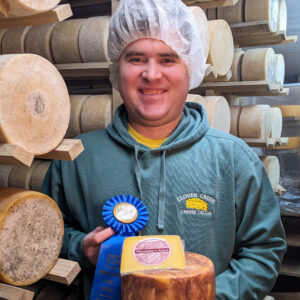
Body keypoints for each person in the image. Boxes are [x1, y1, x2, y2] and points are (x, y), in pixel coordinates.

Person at [42, 0, 286, 299]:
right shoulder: (76, 159)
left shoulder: (235, 159)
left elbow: (264, 252)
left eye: (168, 59)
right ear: (116, 70)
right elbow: (46, 236)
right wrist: (80, 248)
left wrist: (209, 295)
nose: (152, 74)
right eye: (136, 59)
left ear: (191, 69)